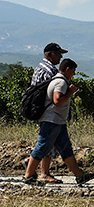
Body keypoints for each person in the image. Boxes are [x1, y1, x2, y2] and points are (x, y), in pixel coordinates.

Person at [23, 58, 94, 186]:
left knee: (65, 149)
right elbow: (57, 100)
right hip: (52, 121)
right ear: (68, 69)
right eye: (73, 71)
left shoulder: (58, 81)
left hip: (58, 121)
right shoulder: (60, 82)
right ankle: (29, 176)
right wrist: (70, 92)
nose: (74, 74)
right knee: (42, 146)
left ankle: (80, 176)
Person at [28, 43, 67, 183]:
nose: (60, 57)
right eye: (58, 54)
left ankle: (40, 169)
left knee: (48, 142)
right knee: (46, 142)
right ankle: (41, 172)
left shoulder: (40, 68)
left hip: (42, 111)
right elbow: (51, 94)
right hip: (48, 112)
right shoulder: (50, 71)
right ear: (49, 54)